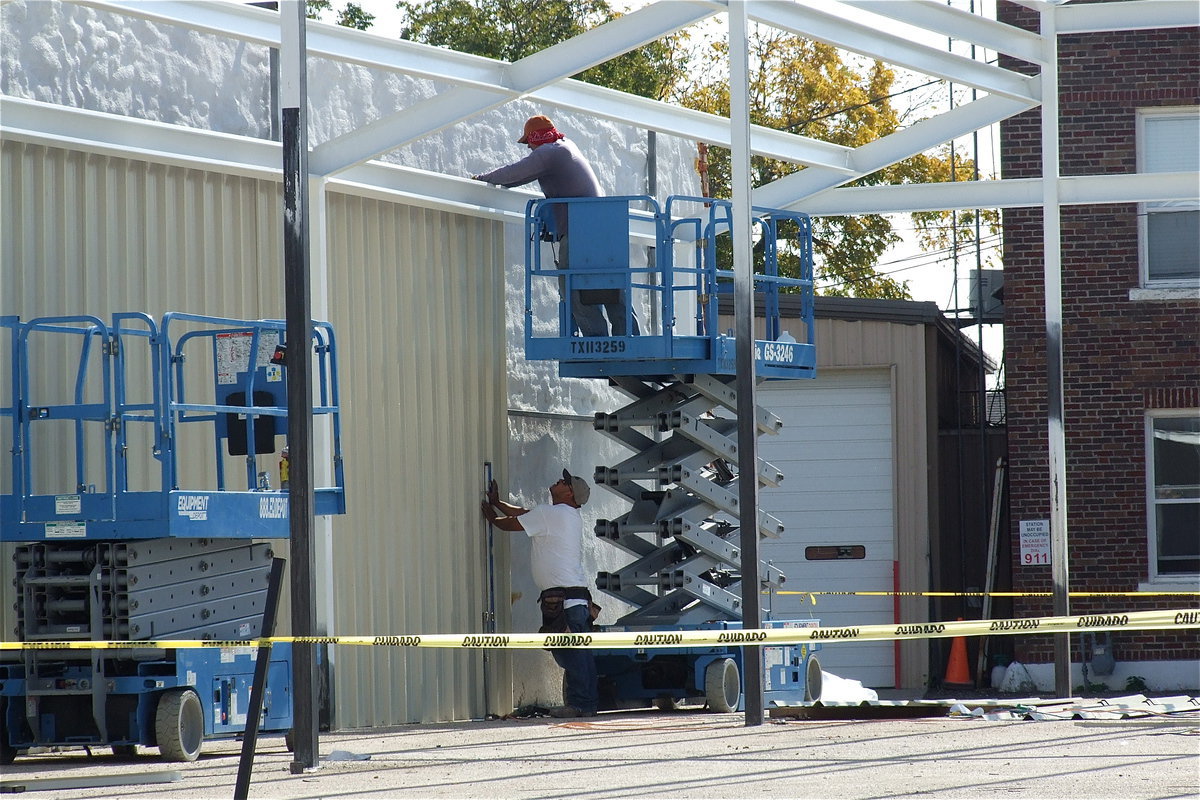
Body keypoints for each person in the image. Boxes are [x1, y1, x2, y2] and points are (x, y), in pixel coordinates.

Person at [472, 114, 639, 337]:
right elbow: (518, 178)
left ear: (535, 138)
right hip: (605, 226)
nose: (529, 148)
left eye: (528, 143)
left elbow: (514, 173)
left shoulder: (549, 152)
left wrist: (481, 178)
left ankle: (596, 344)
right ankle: (629, 339)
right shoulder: (567, 146)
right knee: (612, 284)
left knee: (573, 288)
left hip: (580, 230)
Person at [481, 468, 599, 718]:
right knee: (577, 654)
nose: (558, 480)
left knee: (573, 655)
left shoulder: (553, 514)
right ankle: (584, 704)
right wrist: (498, 503)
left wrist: (491, 517)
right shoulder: (563, 515)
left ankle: (581, 705)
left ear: (569, 493)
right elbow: (526, 515)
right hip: (570, 600)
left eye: (564, 482)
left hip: (565, 600)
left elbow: (512, 524)